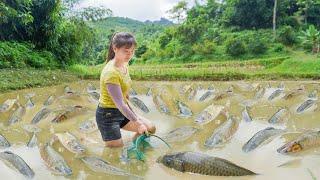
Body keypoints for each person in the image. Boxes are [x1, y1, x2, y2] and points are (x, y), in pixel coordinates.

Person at [96, 32, 156, 148]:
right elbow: (119, 104)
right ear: (115, 48)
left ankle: (133, 146)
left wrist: (133, 114)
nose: (129, 55)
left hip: (122, 111)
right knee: (115, 150)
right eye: (126, 51)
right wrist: (138, 123)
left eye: (132, 51)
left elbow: (124, 95)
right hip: (107, 115)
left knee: (150, 128)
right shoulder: (111, 73)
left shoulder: (124, 64)